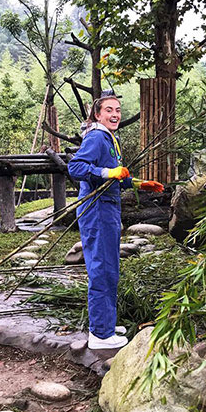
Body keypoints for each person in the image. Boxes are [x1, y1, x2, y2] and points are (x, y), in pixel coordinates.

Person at [68, 91, 164, 350]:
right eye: (109, 110)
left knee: (111, 268)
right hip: (96, 209)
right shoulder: (97, 137)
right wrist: (107, 171)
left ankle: (106, 323)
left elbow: (115, 177)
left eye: (118, 110)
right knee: (102, 269)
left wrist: (140, 183)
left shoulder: (111, 138)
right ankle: (100, 334)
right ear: (97, 114)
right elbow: (76, 168)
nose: (115, 114)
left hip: (108, 208)